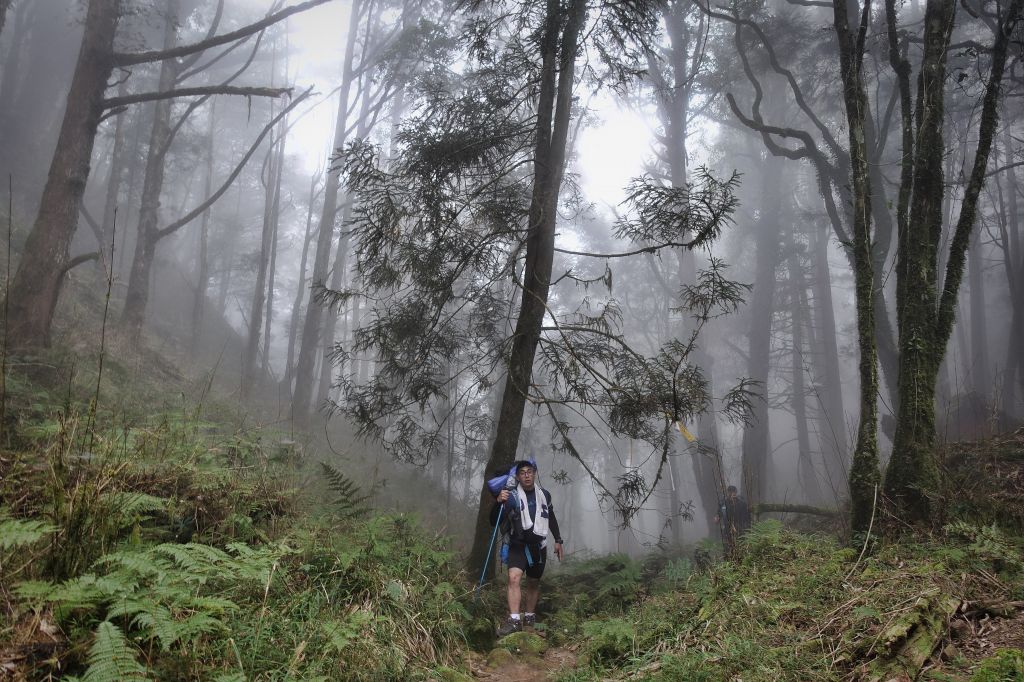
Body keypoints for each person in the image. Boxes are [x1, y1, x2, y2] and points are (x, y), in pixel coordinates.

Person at [490, 460, 563, 636]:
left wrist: (558, 539)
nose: (527, 475)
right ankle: (515, 620)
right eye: (522, 472)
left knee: (533, 582)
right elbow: (494, 521)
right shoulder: (512, 497)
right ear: (518, 476)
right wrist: (498, 502)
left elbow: (550, 516)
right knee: (514, 578)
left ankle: (529, 618)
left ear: (534, 473)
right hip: (518, 545)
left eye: (529, 471)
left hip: (539, 546)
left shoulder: (544, 494)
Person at [714, 485, 751, 555]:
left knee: (740, 548)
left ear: (736, 493)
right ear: (727, 493)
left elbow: (747, 518)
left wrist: (747, 529)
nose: (732, 495)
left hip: (739, 529)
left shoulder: (742, 504)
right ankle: (728, 559)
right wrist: (717, 517)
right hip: (727, 530)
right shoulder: (723, 503)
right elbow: (719, 513)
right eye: (730, 493)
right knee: (727, 548)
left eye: (733, 493)